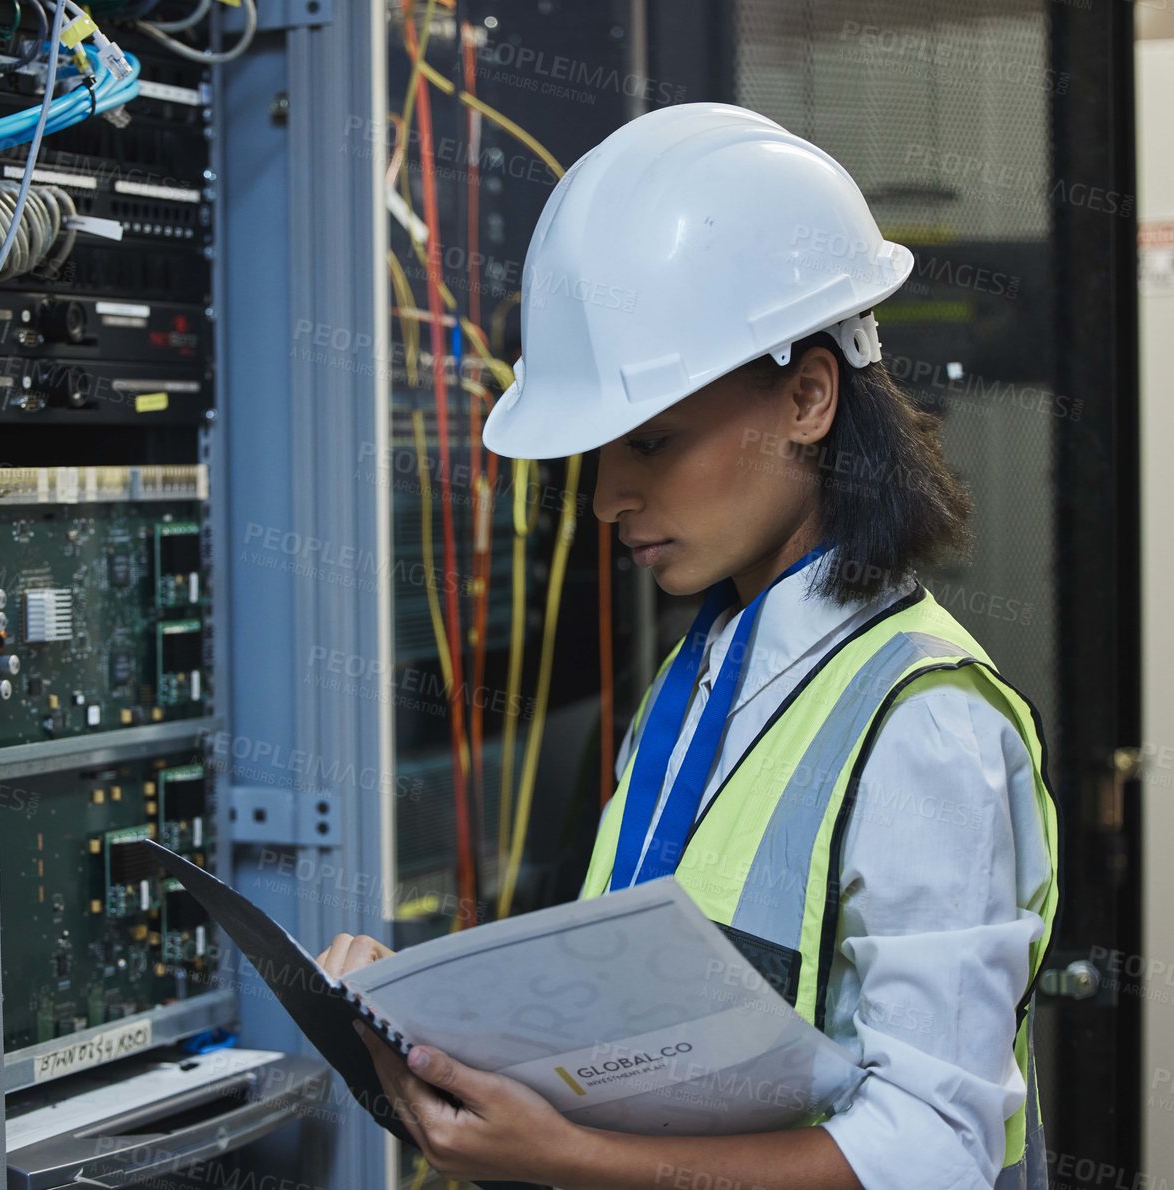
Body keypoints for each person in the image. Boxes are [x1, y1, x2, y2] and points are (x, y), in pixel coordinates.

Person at [314, 103, 1060, 1190]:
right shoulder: (708, 671)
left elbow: (933, 1149)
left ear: (806, 396)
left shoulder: (922, 722)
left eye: (651, 440)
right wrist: (432, 1024)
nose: (608, 494)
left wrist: (573, 1156)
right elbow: (650, 1042)